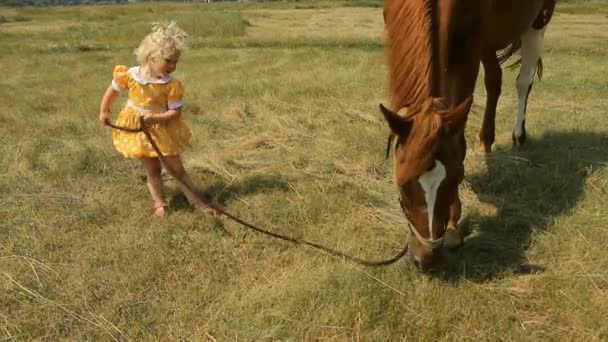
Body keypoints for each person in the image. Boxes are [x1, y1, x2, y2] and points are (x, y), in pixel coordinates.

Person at [98, 21, 209, 218]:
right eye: (168, 61)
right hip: (139, 130)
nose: (173, 66)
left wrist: (157, 118)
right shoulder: (131, 75)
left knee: (176, 169)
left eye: (176, 62)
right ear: (151, 56)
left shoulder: (171, 85)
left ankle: (195, 200)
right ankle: (159, 203)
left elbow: (176, 113)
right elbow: (112, 91)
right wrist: (105, 111)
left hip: (163, 129)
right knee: (152, 169)